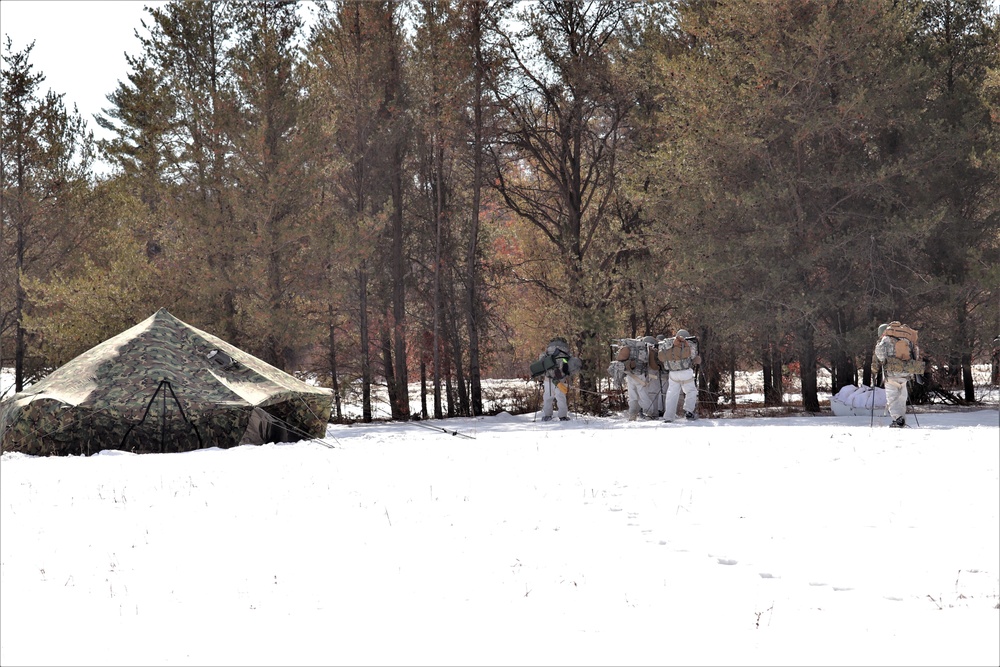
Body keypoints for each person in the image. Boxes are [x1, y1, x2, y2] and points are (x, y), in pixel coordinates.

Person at [871, 322, 918, 428]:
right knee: (902, 397)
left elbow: (879, 354)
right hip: (905, 372)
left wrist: (876, 368)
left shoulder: (885, 339)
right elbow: (916, 352)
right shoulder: (906, 338)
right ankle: (901, 419)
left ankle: (897, 419)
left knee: (892, 397)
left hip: (891, 373)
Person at [660, 329, 700, 422]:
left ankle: (668, 416)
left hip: (673, 373)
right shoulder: (689, 343)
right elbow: (693, 356)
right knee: (691, 391)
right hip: (685, 372)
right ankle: (689, 412)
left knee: (672, 394)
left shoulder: (671, 344)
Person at [538, 338, 579, 421]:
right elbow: (568, 366)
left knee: (547, 397)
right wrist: (569, 377)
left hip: (548, 378)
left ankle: (547, 415)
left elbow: (541, 365)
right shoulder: (565, 354)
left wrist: (540, 378)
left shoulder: (547, 354)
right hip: (561, 378)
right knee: (561, 397)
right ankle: (563, 416)